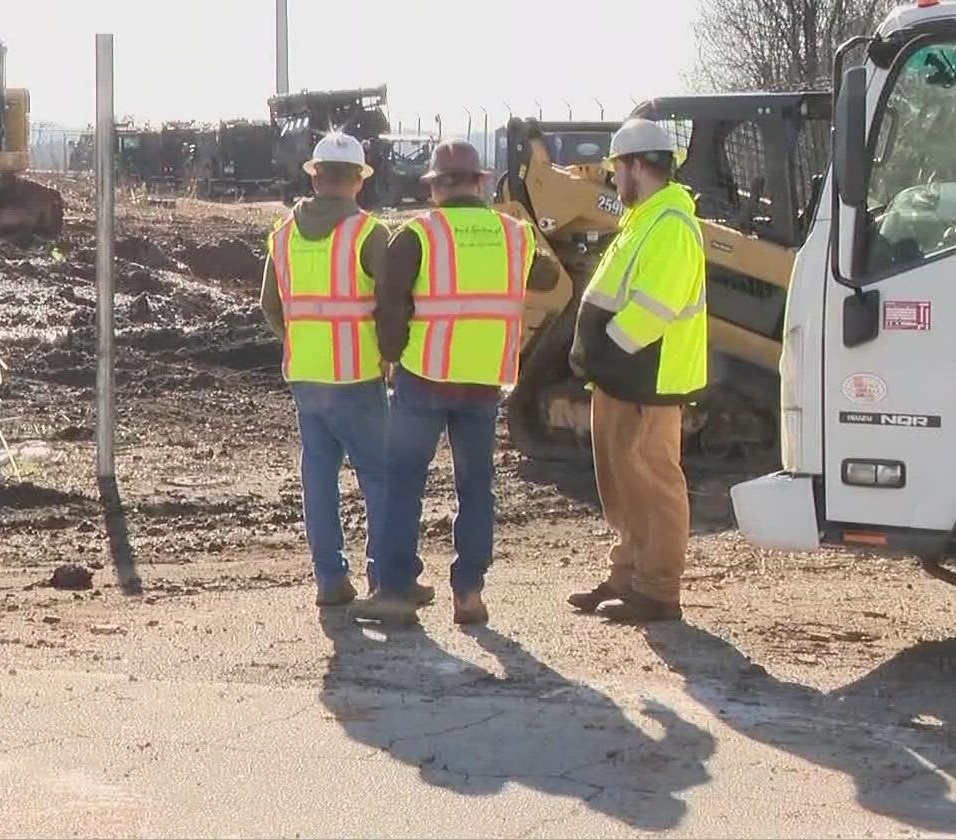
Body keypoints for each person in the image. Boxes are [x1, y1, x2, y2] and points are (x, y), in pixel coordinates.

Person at [354, 139, 560, 626]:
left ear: (433, 185)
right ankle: (468, 592)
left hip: (425, 377)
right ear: (481, 182)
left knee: (404, 481)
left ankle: (396, 587)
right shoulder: (515, 234)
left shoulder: (418, 235)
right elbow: (548, 276)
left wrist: (390, 356)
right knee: (475, 486)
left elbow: (390, 302)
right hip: (484, 383)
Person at [565, 117, 710, 624]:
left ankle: (658, 591)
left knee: (654, 483)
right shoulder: (644, 220)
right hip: (624, 378)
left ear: (633, 165)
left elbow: (655, 307)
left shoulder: (670, 225)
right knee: (624, 484)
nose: (611, 179)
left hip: (650, 377)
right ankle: (627, 576)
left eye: (615, 168)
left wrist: (605, 351)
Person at [260, 132, 395, 607]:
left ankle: (330, 579)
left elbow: (270, 306)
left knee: (319, 476)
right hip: (357, 375)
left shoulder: (283, 235)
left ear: (315, 176)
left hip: (305, 375)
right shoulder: (370, 233)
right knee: (379, 478)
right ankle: (386, 579)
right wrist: (388, 356)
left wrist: (302, 340)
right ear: (359, 181)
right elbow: (393, 305)